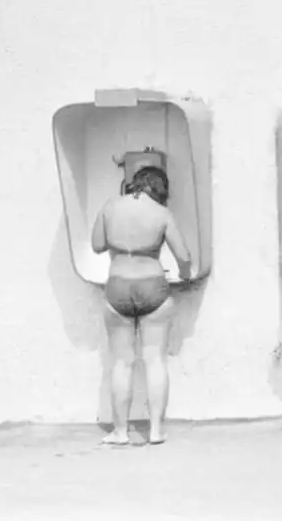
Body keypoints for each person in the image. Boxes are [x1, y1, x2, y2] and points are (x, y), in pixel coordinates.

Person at [91, 166, 192, 445]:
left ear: (133, 183)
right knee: (155, 361)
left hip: (118, 287)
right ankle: (156, 431)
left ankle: (120, 432)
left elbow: (97, 245)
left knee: (121, 363)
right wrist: (185, 276)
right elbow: (184, 257)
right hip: (152, 287)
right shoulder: (162, 213)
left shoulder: (110, 206)